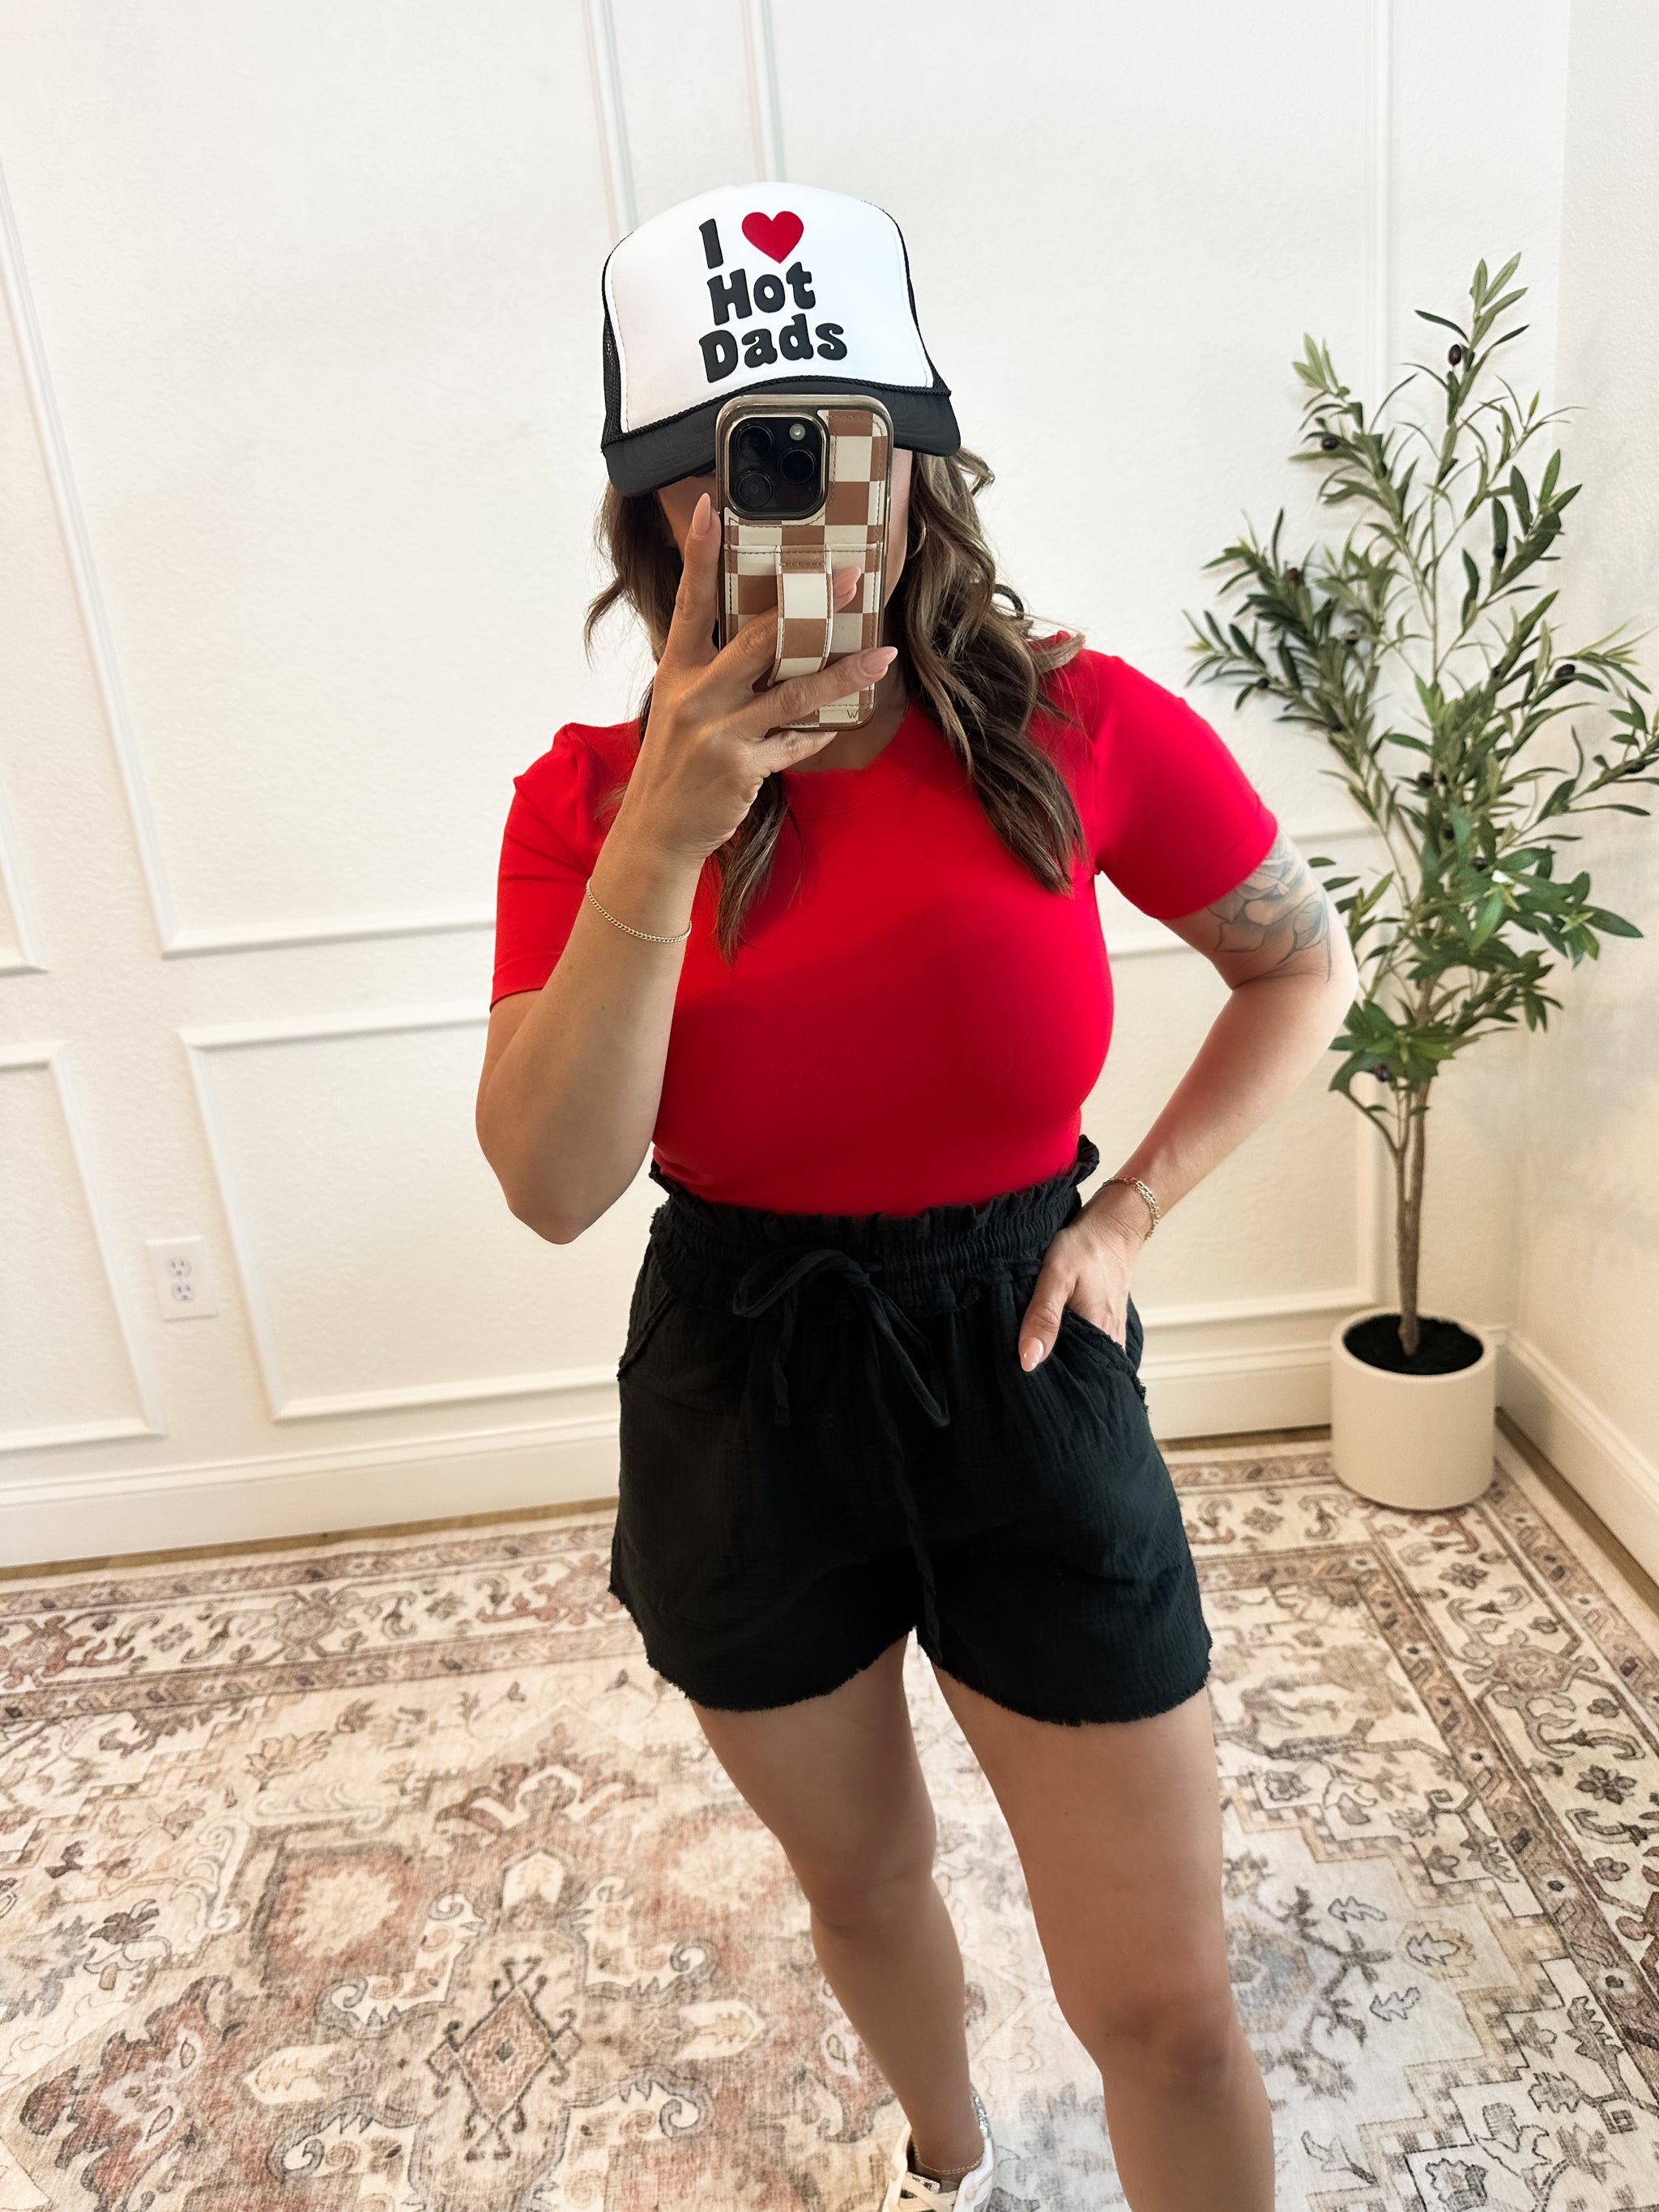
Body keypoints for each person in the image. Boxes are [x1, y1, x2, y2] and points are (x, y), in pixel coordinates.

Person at [476, 180, 1356, 2212]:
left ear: (916, 468)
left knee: (1169, 2005)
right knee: (863, 1878)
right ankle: (945, 2155)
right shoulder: (584, 807)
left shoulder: (1079, 725)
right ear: (653, 509)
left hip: (1020, 1346)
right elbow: (550, 1184)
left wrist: (1129, 1211)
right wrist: (667, 836)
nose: (770, 504)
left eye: (820, 448)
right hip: (741, 1372)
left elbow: (1300, 965)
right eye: (713, 465)